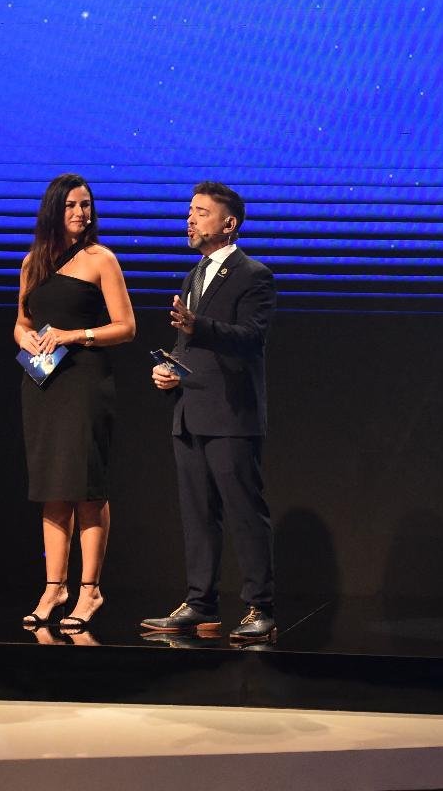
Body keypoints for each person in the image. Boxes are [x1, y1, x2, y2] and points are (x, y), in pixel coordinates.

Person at [141, 181, 278, 643]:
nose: (190, 219)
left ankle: (261, 607)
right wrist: (169, 370)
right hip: (190, 411)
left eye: (201, 212)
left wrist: (199, 325)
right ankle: (200, 603)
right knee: (197, 514)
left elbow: (251, 338)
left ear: (229, 223)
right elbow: (189, 346)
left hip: (231, 414)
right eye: (190, 211)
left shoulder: (253, 275)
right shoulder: (193, 275)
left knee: (244, 512)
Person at [16, 173, 136, 630]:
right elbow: (21, 322)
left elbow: (125, 327)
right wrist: (25, 339)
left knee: (86, 485)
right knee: (52, 487)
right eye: (71, 205)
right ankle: (54, 588)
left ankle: (90, 590)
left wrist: (75, 335)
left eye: (86, 205)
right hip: (43, 385)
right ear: (53, 209)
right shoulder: (33, 262)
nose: (81, 213)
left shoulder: (100, 259)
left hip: (85, 382)